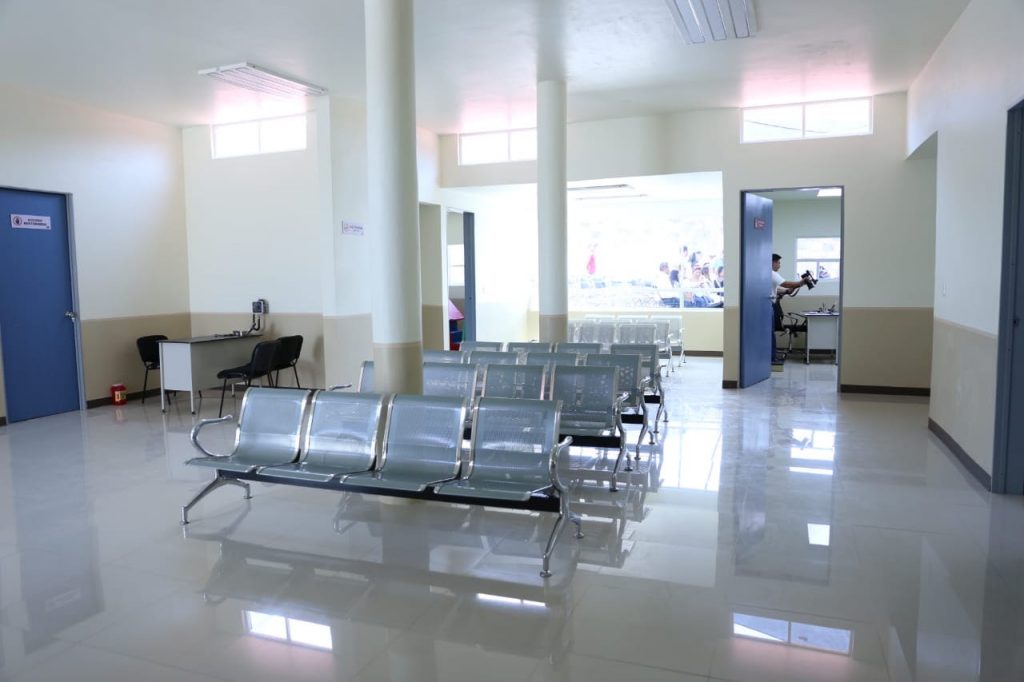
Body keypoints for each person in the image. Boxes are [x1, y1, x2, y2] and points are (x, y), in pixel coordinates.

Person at [771, 253, 812, 364]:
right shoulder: (771, 273)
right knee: (770, 333)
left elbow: (786, 290)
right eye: (778, 263)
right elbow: (786, 284)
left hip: (771, 306)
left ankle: (772, 356)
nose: (779, 265)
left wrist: (797, 285)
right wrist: (801, 282)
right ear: (773, 262)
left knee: (770, 332)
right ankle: (772, 358)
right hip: (769, 306)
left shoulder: (769, 275)